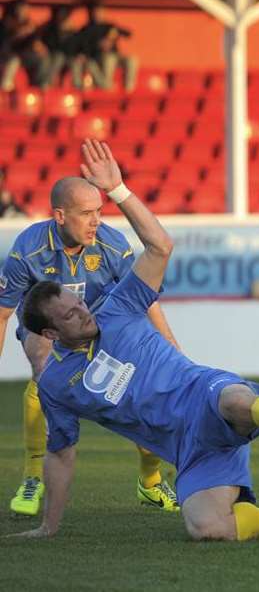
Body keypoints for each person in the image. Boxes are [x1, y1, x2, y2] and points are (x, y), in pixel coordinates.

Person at [9, 139, 259, 541]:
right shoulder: (57, 384)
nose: (83, 311)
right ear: (50, 334)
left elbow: (160, 246)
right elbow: (61, 455)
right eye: (71, 314)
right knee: (206, 527)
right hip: (189, 448)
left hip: (205, 395)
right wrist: (49, 527)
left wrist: (118, 191)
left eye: (79, 303)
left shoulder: (117, 308)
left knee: (240, 403)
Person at [1, 174, 182, 517]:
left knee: (143, 394)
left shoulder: (112, 244)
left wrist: (171, 344)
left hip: (101, 325)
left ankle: (150, 481)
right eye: (86, 213)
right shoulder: (28, 248)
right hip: (48, 328)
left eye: (99, 210)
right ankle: (32, 477)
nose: (96, 220)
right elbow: (3, 313)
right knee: (45, 373)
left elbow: (146, 298)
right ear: (59, 216)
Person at [76, 0, 137, 91]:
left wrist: (114, 34)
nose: (98, 14)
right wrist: (98, 45)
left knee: (131, 59)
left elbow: (128, 34)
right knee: (109, 58)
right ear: (90, 13)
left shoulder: (109, 26)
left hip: (116, 56)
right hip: (98, 57)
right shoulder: (86, 29)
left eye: (100, 11)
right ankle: (107, 87)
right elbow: (82, 47)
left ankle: (129, 90)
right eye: (96, 11)